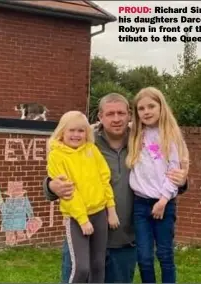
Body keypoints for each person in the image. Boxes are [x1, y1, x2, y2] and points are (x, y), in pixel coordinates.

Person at [43, 93, 189, 283]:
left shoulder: (142, 140)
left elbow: (167, 173)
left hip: (125, 243)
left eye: (121, 113)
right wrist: (51, 185)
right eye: (110, 114)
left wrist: (182, 181)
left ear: (130, 115)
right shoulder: (85, 141)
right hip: (86, 237)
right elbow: (56, 171)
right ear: (100, 117)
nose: (117, 119)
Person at [47, 110, 120, 283]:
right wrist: (82, 219)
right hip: (76, 217)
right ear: (62, 132)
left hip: (100, 213)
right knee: (81, 268)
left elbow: (104, 178)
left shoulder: (91, 150)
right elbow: (68, 192)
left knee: (98, 265)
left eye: (81, 131)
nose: (76, 135)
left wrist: (111, 209)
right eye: (71, 130)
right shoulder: (56, 156)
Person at [126, 87, 188, 283]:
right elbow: (105, 126)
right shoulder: (135, 133)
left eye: (151, 106)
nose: (146, 111)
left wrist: (163, 200)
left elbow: (174, 172)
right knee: (144, 257)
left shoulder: (170, 135)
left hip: (164, 204)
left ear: (161, 107)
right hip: (140, 204)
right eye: (141, 108)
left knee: (165, 255)